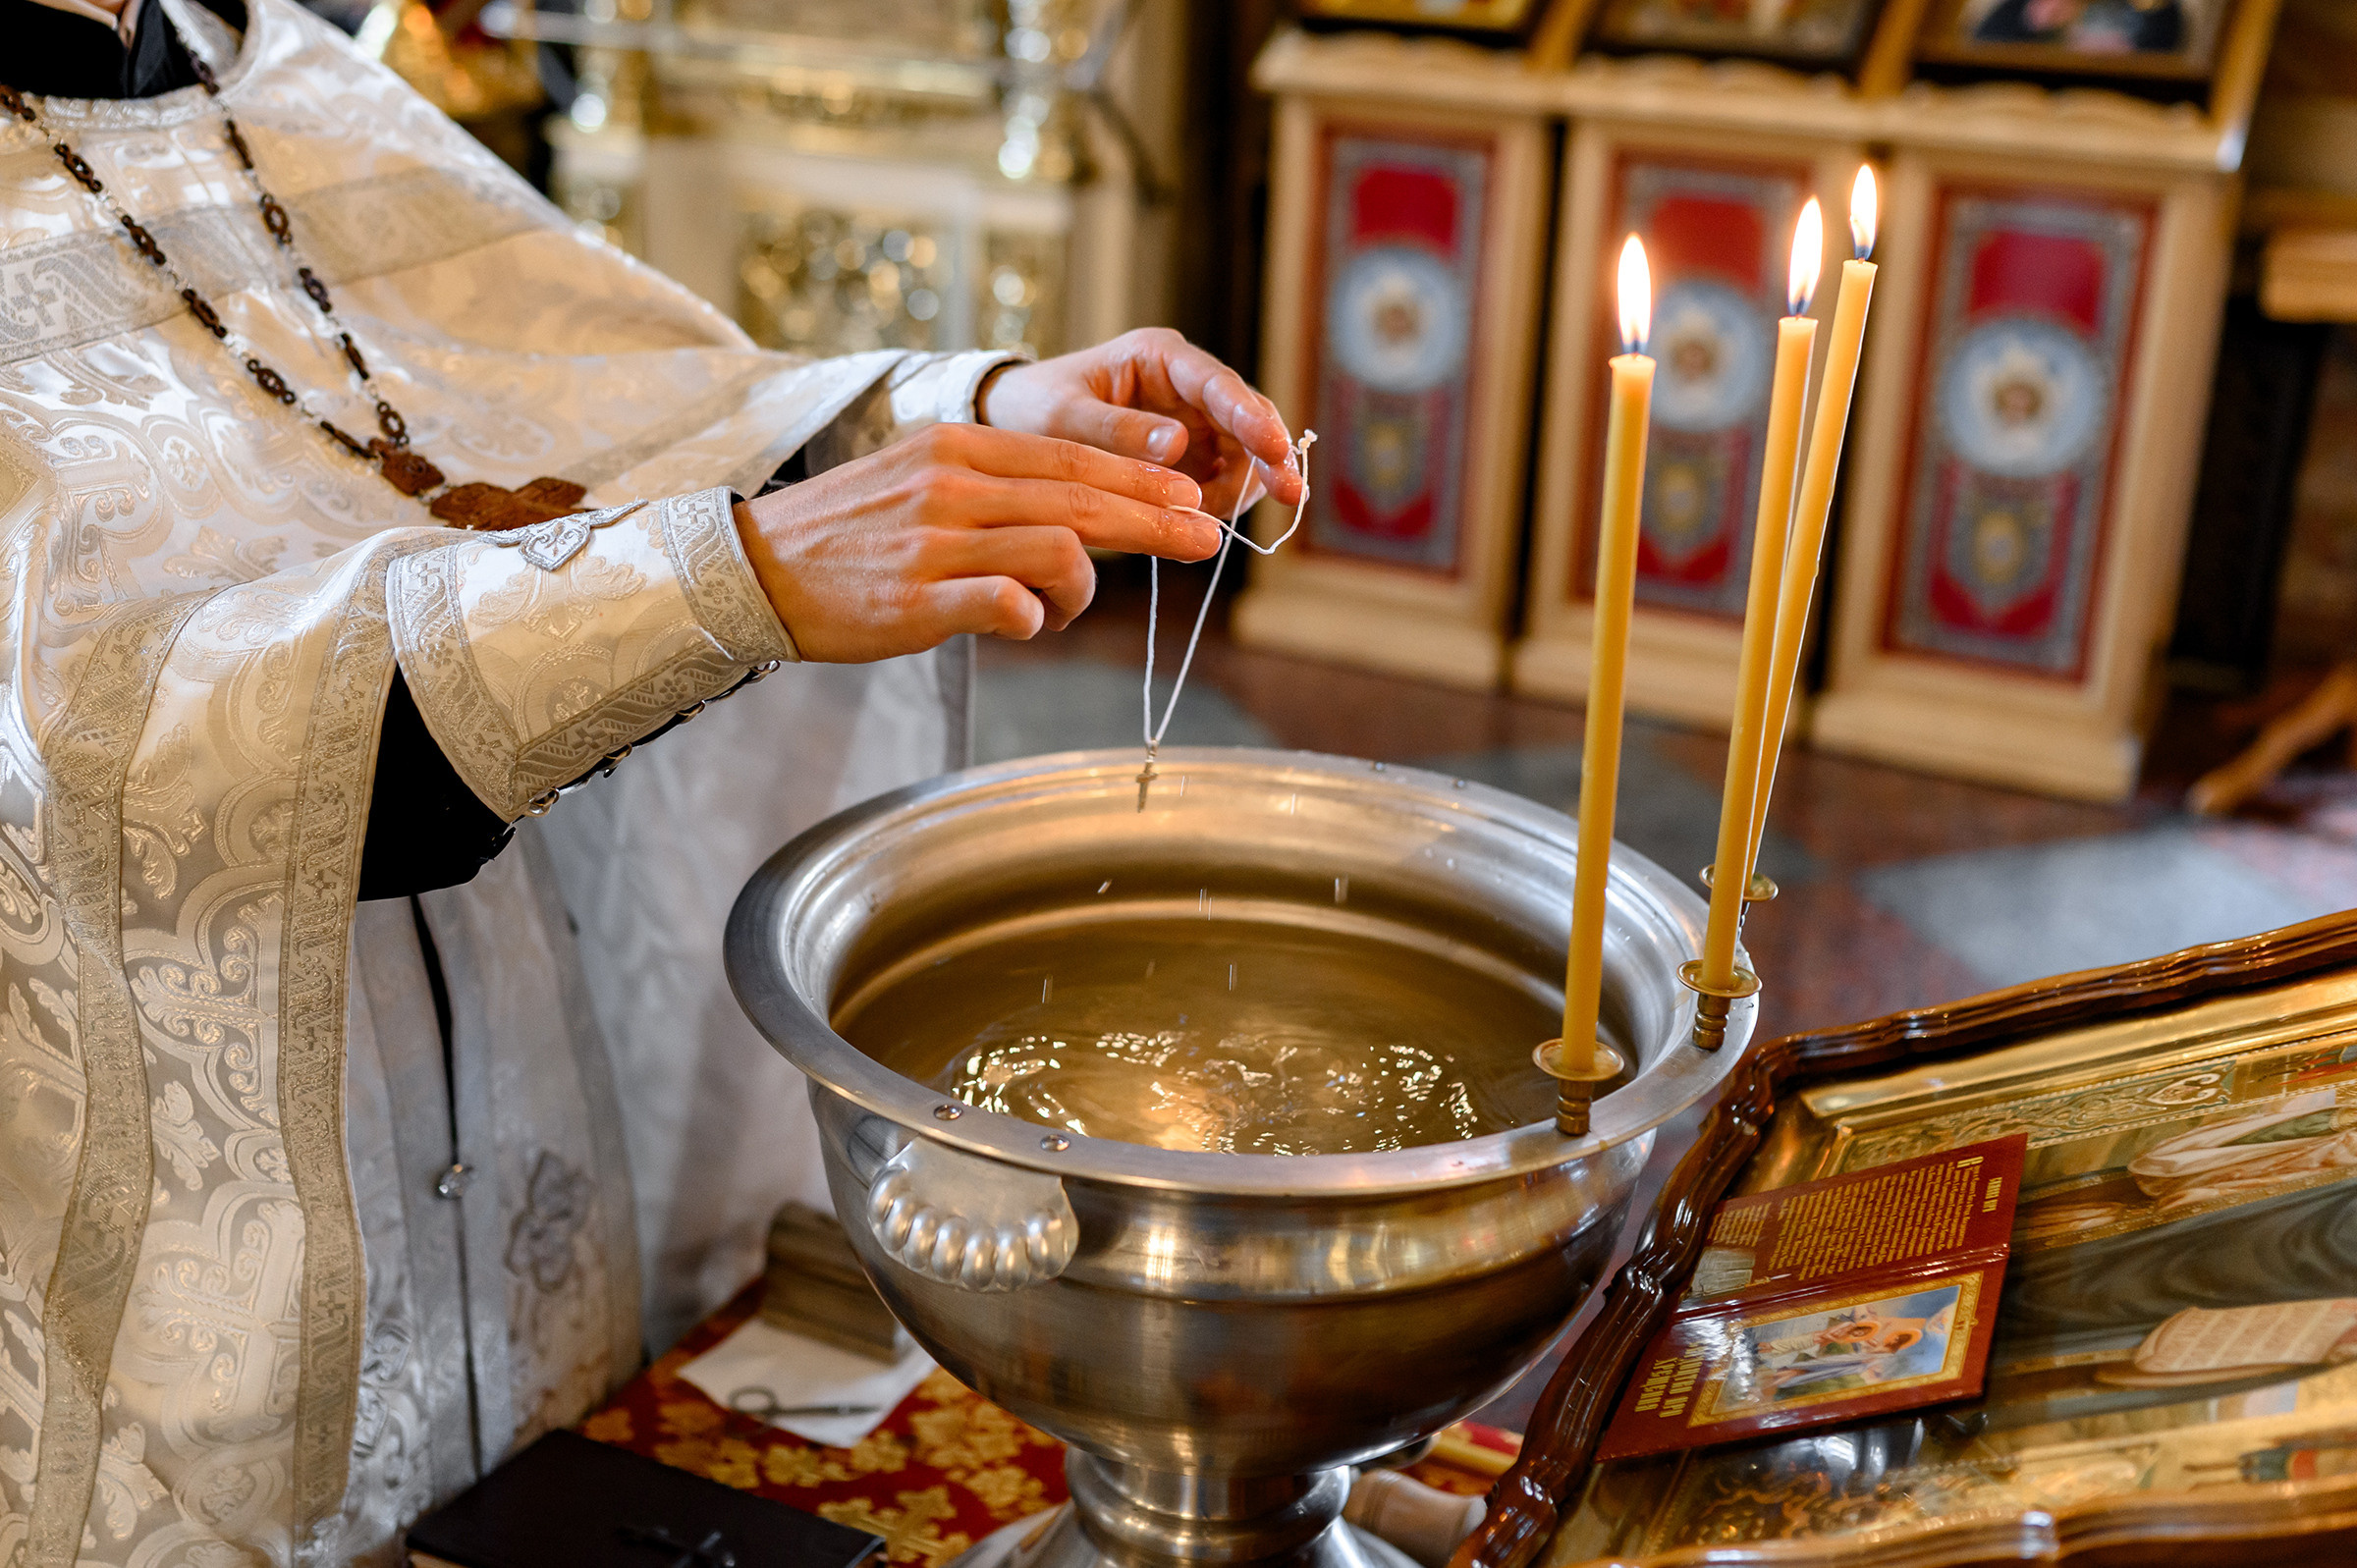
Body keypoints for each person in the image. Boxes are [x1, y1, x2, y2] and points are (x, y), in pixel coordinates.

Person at [0, 0, 1301, 1559]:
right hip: (195, 1252)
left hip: (522, 1118)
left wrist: (988, 417)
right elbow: (91, 746)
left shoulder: (268, 67)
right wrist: (726, 574)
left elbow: (646, 409)